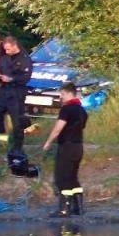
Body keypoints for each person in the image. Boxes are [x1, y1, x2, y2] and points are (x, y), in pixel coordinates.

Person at [42, 81, 88, 216]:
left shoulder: (67, 109)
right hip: (78, 147)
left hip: (66, 146)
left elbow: (58, 129)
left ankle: (64, 209)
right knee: (73, 177)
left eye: (62, 94)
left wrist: (48, 143)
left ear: (69, 94)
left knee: (62, 177)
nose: (60, 97)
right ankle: (78, 208)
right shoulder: (82, 110)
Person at [0, 35, 32, 160]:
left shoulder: (25, 59)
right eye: (5, 49)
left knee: (17, 123)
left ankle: (17, 147)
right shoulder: (5, 58)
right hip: (3, 92)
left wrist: (11, 78)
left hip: (16, 93)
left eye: (8, 49)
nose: (6, 51)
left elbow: (26, 77)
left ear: (15, 45)